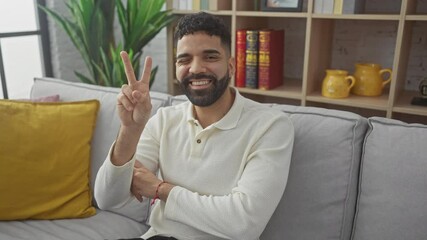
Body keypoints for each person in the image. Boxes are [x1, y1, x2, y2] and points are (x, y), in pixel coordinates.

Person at [94, 12, 294, 240]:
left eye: (210, 57)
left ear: (231, 66)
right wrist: (130, 130)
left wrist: (161, 190)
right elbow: (107, 199)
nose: (196, 68)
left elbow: (243, 224)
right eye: (184, 59)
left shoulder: (271, 126)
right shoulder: (164, 119)